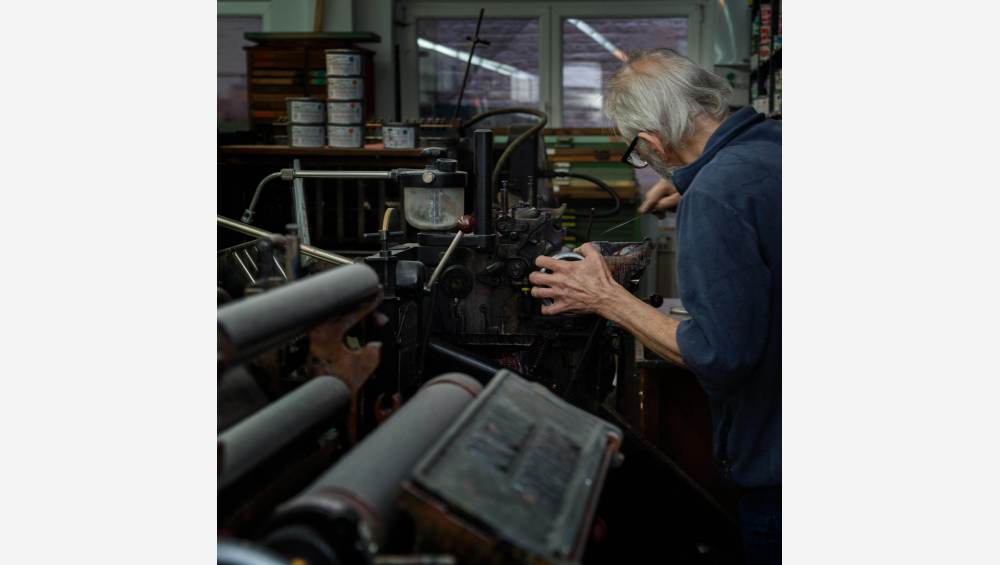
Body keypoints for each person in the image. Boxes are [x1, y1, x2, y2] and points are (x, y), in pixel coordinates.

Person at [528, 48, 781, 564]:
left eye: (639, 153)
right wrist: (698, 186)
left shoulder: (717, 194)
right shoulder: (775, 146)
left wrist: (605, 298)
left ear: (652, 141)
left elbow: (718, 354)